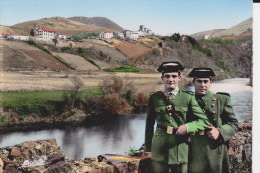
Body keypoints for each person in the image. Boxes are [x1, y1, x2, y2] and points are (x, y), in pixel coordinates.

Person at [145, 62, 210, 173]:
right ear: (162, 78)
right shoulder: (154, 99)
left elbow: (204, 121)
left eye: (174, 76)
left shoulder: (187, 98)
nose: (171, 79)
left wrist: (188, 127)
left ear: (179, 78)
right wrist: (148, 149)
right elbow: (149, 126)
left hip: (180, 148)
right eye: (167, 76)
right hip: (159, 148)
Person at [188, 68, 238, 173]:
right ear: (193, 82)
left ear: (211, 82)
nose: (202, 85)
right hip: (194, 150)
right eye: (199, 81)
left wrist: (219, 132)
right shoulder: (186, 100)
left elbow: (233, 123)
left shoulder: (221, 99)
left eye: (206, 81)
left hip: (215, 150)